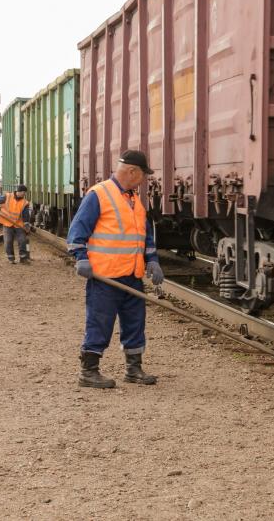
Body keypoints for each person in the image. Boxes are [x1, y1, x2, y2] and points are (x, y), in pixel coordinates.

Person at [66, 150, 164, 389]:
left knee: (135, 323)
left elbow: (144, 236)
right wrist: (81, 257)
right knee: (100, 322)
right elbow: (77, 232)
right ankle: (88, 372)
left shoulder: (134, 201)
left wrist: (152, 260)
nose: (144, 180)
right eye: (143, 175)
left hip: (132, 275)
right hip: (105, 277)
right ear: (132, 171)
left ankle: (133, 369)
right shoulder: (98, 195)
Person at [0, 184, 31, 264]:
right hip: (7, 223)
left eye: (25, 193)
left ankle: (23, 258)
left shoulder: (25, 202)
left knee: (22, 240)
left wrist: (26, 225)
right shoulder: (7, 196)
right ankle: (11, 258)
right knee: (8, 241)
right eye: (23, 193)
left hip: (18, 224)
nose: (24, 194)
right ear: (19, 191)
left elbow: (25, 215)